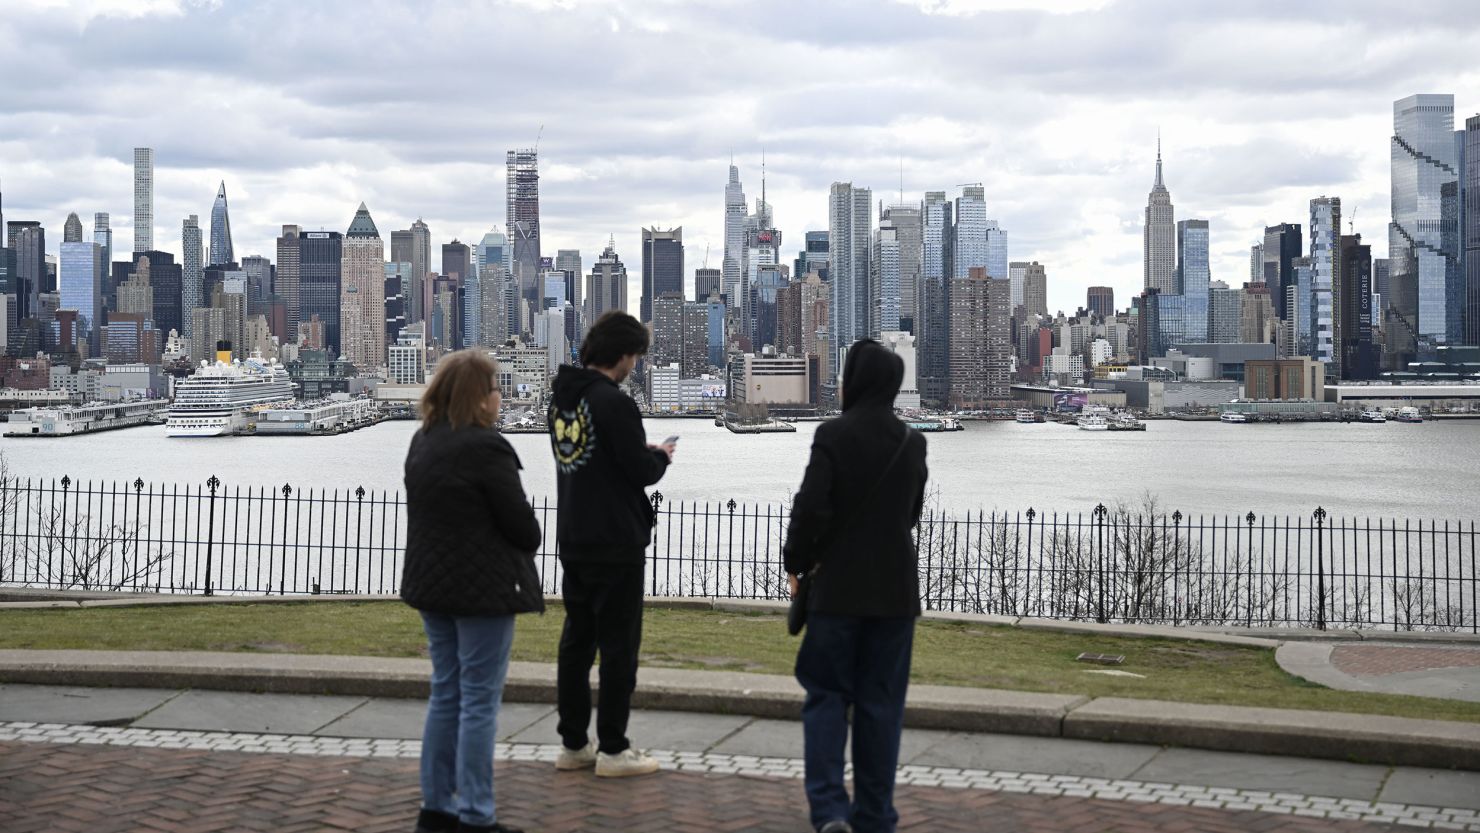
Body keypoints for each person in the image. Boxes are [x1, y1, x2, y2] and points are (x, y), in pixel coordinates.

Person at [783, 339, 929, 833]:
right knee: (881, 706)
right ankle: (875, 814)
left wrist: (797, 566)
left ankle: (828, 811)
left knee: (826, 696)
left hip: (837, 591)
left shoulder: (832, 435)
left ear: (853, 382)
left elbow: (809, 510)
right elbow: (911, 516)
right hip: (894, 593)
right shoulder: (914, 443)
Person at [400, 350, 543, 833]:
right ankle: (477, 816)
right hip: (483, 593)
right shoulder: (487, 448)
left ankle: (437, 808)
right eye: (496, 388)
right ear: (480, 399)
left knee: (446, 693)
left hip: (433, 588)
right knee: (479, 701)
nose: (501, 396)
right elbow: (525, 531)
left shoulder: (423, 442)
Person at [546, 310, 674, 778]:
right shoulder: (613, 403)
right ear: (623, 355)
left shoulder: (562, 403)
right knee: (619, 646)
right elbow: (637, 471)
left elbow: (593, 461)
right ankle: (615, 749)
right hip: (616, 541)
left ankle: (574, 742)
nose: (635, 365)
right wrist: (659, 456)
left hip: (575, 536)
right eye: (635, 356)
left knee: (577, 643)